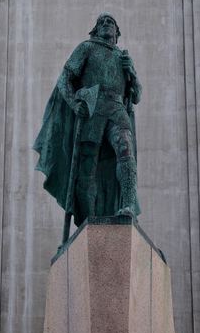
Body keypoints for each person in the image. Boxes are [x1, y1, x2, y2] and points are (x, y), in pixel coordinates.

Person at [33, 13, 141, 226]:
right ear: (96, 30)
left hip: (117, 109)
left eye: (110, 22)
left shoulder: (123, 57)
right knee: (88, 164)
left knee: (125, 149)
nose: (106, 24)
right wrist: (74, 104)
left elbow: (136, 96)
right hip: (94, 110)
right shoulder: (87, 48)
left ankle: (128, 205)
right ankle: (88, 217)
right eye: (102, 22)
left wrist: (133, 74)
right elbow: (65, 79)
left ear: (117, 32)